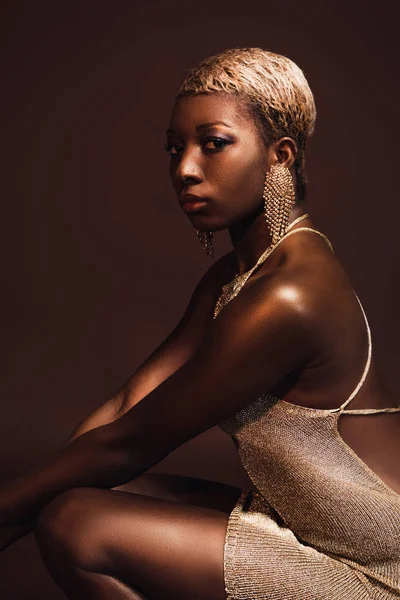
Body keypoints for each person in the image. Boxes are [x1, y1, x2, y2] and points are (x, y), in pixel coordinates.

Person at [0, 47, 399, 600]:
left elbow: (135, 442)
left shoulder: (292, 293)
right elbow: (126, 407)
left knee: (74, 523)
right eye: (174, 147)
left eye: (213, 145)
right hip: (295, 524)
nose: (185, 168)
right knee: (69, 491)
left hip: (371, 564)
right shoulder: (234, 279)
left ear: (280, 156)